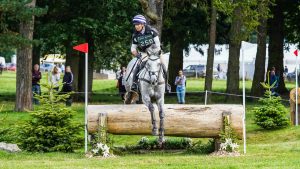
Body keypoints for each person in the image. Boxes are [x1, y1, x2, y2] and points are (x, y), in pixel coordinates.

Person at [126, 14, 170, 102]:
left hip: (155, 51)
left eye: (138, 24)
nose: (136, 26)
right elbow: (133, 48)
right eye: (135, 25)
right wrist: (136, 54)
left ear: (143, 24)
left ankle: (166, 84)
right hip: (144, 53)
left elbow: (157, 45)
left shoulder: (152, 31)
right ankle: (134, 84)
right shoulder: (135, 35)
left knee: (163, 65)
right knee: (139, 65)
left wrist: (154, 53)